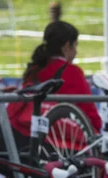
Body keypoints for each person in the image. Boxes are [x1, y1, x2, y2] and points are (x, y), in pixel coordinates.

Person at [6, 21, 102, 150]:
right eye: (75, 46)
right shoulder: (72, 72)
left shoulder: (34, 69)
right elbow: (90, 113)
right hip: (61, 144)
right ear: (67, 46)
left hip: (23, 138)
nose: (76, 52)